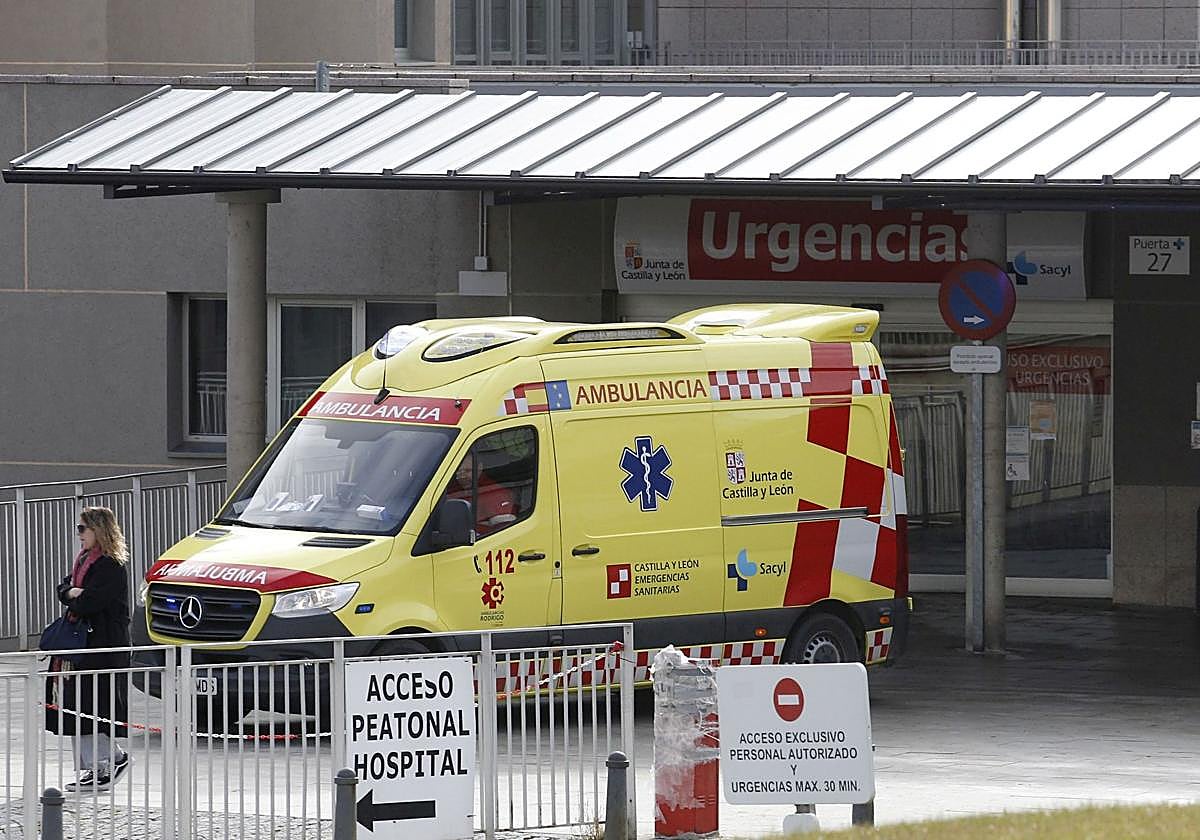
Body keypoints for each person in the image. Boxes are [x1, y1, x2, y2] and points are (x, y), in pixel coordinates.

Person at [45, 506, 132, 793]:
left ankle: (107, 763)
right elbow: (63, 589)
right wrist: (71, 592)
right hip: (80, 648)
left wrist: (73, 595)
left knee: (96, 706)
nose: (79, 535)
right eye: (78, 529)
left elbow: (89, 603)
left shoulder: (110, 565)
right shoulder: (83, 560)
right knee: (77, 707)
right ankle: (97, 765)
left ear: (99, 530)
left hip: (102, 647)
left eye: (83, 529)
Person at [447, 453, 517, 536]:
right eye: (458, 471)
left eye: (467, 471)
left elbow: (505, 532)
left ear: (479, 468)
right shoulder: (452, 488)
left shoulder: (495, 493)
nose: (462, 476)